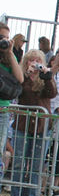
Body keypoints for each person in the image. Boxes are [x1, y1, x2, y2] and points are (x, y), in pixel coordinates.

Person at [10, 49, 57, 196]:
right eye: (31, 60)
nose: (35, 63)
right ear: (26, 62)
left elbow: (52, 93)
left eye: (38, 60)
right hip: (22, 125)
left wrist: (47, 77)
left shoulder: (46, 76)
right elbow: (16, 92)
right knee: (18, 162)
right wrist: (25, 75)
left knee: (36, 165)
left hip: (42, 127)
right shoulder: (21, 77)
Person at [0, 24, 25, 177]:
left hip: (2, 111)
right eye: (1, 37)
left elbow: (20, 78)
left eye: (7, 38)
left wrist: (9, 53)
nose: (4, 41)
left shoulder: (10, 57)